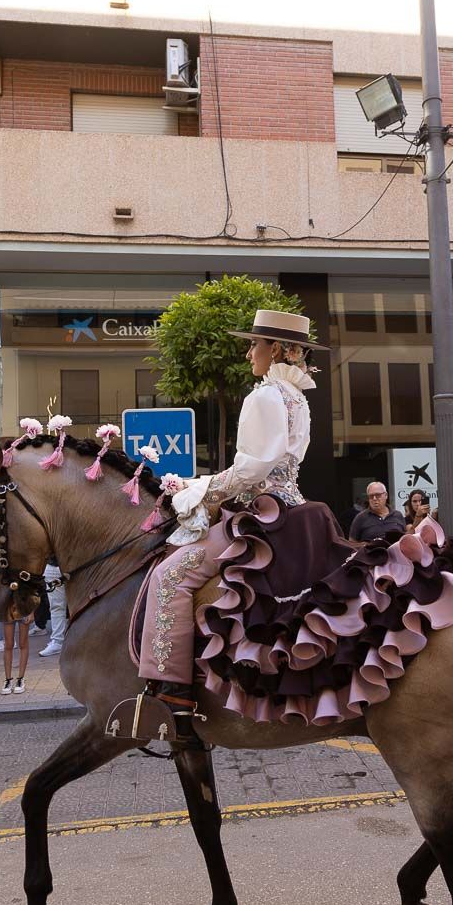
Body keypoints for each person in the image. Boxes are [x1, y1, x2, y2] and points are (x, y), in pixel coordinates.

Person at [138, 309, 326, 735]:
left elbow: (252, 471)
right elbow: (277, 464)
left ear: (275, 348)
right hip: (294, 507)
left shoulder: (264, 396)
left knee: (169, 575)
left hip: (260, 510)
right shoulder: (298, 399)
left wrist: (200, 489)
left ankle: (171, 691)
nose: (248, 354)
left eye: (254, 345)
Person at [39, 560, 67, 657]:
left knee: (57, 607)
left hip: (71, 563)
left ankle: (57, 641)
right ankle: (57, 641)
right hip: (55, 565)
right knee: (56, 606)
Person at [1, 613, 32, 693]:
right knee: (8, 644)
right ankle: (8, 679)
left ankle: (20, 678)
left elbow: (31, 599)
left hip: (24, 607)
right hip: (8, 608)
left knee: (23, 643)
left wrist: (31, 612)